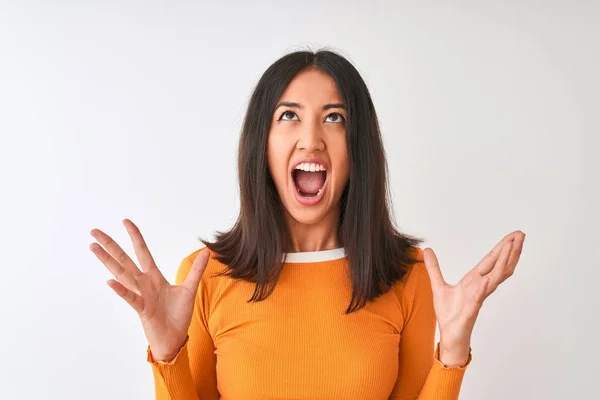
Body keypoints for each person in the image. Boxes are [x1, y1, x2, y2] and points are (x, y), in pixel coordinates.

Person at [89, 49, 525, 400]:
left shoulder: (406, 276)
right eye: (289, 115)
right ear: (263, 144)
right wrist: (168, 355)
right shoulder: (206, 276)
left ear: (359, 149)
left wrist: (452, 351)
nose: (312, 138)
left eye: (335, 117)